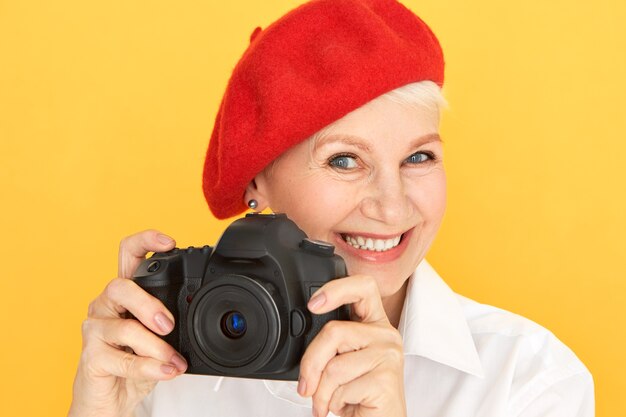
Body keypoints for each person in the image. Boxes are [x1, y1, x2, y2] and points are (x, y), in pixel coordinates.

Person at [68, 0, 594, 416]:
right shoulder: (165, 372)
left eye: (419, 156)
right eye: (344, 160)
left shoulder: (528, 380)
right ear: (259, 187)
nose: (392, 207)